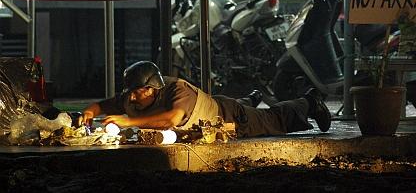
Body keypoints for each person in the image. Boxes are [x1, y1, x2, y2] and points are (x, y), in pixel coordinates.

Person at [82, 61, 331, 137]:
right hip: (215, 105)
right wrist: (89, 113)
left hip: (229, 117)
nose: (133, 96)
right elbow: (103, 105)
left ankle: (309, 101)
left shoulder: (178, 90)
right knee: (239, 104)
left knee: (273, 119)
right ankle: (250, 98)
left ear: (154, 88)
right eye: (131, 91)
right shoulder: (132, 96)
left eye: (139, 91)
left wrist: (127, 122)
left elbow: (172, 119)